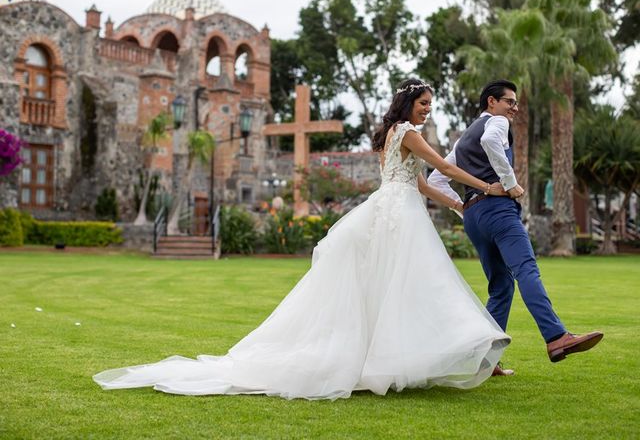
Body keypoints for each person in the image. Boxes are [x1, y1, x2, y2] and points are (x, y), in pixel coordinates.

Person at [94, 79, 510, 400]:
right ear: (407, 105)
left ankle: (384, 360)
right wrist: (484, 189)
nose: (427, 110)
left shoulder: (393, 136)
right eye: (424, 104)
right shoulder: (408, 132)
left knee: (390, 288)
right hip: (396, 215)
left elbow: (421, 182)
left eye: (429, 105)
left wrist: (457, 206)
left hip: (393, 207)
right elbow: (443, 167)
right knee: (411, 284)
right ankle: (419, 352)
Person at [428, 79, 603, 374]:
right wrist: (511, 184)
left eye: (516, 103)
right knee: (526, 269)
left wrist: (463, 208)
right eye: (510, 102)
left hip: (474, 217)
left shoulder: (463, 138)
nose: (515, 108)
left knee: (501, 287)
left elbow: (436, 180)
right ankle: (556, 337)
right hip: (498, 210)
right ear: (491, 103)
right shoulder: (496, 123)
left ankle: (486, 360)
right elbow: (490, 143)